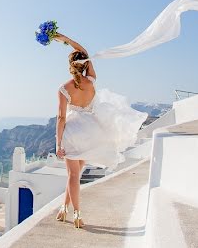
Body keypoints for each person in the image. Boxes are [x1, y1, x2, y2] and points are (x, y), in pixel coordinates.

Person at [51, 32, 147, 230]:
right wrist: (64, 39)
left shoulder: (63, 89)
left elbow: (61, 118)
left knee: (72, 176)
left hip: (74, 132)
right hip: (92, 131)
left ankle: (77, 213)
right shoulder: (92, 81)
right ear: (86, 64)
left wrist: (58, 143)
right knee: (75, 176)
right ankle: (64, 209)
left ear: (70, 67)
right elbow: (84, 51)